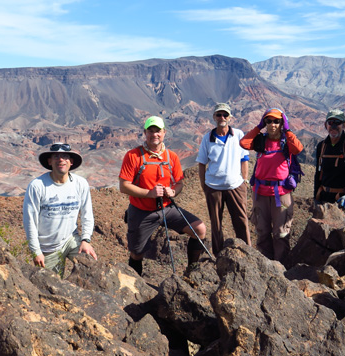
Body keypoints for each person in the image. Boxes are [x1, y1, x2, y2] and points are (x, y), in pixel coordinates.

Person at [118, 116, 208, 276]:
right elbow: (124, 186)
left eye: (158, 131)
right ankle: (134, 287)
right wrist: (149, 193)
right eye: (151, 131)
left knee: (199, 229)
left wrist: (173, 191)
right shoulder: (133, 156)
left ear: (164, 133)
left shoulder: (171, 157)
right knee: (136, 253)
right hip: (141, 211)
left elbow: (179, 183)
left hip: (167, 208)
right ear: (145, 133)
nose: (155, 134)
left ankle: (191, 272)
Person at [23, 142, 98, 277]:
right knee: (51, 285)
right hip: (48, 247)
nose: (61, 159)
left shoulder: (80, 184)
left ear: (71, 162)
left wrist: (86, 240)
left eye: (65, 156)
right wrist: (36, 251)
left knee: (91, 267)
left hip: (71, 239)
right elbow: (30, 221)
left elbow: (87, 214)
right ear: (50, 161)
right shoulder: (37, 186)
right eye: (56, 156)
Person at [240, 108, 303, 262]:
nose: (273, 124)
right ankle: (265, 266)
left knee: (281, 234)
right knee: (262, 232)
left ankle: (281, 268)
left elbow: (298, 148)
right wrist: (258, 127)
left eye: (277, 121)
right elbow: (244, 143)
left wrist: (287, 130)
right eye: (269, 121)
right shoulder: (261, 140)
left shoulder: (286, 142)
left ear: (282, 123)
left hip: (281, 194)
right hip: (260, 193)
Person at [196, 103, 252, 254]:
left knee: (241, 221)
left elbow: (244, 158)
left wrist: (244, 180)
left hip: (236, 186)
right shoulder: (207, 138)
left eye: (225, 115)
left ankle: (247, 253)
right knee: (216, 224)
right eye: (219, 115)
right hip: (213, 187)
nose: (222, 118)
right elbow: (202, 163)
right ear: (214, 117)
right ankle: (218, 255)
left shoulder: (238, 135)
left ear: (230, 118)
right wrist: (204, 186)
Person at [314, 109, 345, 211]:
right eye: (331, 122)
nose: (334, 126)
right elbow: (318, 173)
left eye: (338, 123)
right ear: (325, 125)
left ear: (344, 125)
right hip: (325, 199)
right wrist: (316, 198)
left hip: (344, 200)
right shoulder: (321, 146)